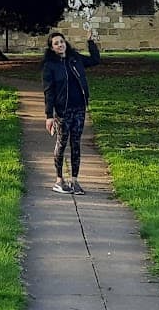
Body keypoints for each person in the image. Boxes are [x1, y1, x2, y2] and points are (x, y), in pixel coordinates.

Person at [42, 30, 101, 195]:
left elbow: (95, 60)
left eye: (62, 42)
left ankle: (74, 180)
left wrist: (91, 42)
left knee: (76, 143)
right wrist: (49, 116)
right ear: (52, 48)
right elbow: (49, 92)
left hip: (79, 108)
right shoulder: (50, 66)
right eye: (56, 43)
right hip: (63, 111)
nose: (60, 45)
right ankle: (59, 180)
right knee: (61, 143)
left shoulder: (75, 59)